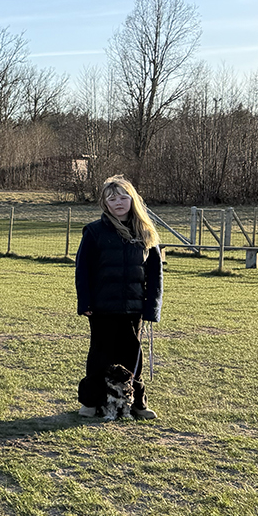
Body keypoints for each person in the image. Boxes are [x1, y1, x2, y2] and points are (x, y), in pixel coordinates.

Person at [74, 175, 163, 419]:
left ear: (132, 200)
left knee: (133, 357)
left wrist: (152, 307)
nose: (118, 203)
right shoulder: (94, 231)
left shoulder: (146, 232)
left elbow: (155, 274)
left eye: (123, 197)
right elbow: (83, 270)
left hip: (134, 308)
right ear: (105, 203)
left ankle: (137, 403)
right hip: (101, 307)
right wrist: (85, 302)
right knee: (100, 355)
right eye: (112, 199)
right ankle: (90, 402)